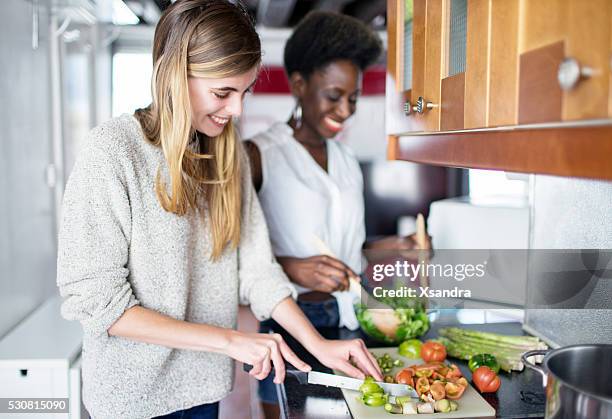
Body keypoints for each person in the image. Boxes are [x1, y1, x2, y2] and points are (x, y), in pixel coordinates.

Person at [56, 2, 381, 418]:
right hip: (132, 398)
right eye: (222, 93)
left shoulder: (229, 157)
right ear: (175, 75)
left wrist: (319, 344)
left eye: (244, 92)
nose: (237, 110)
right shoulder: (113, 152)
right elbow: (100, 303)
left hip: (203, 389)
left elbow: (258, 270)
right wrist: (229, 340)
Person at [245, 11, 429, 418]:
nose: (345, 110)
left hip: (349, 316)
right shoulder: (259, 156)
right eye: (333, 95)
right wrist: (292, 267)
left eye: (354, 98)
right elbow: (231, 258)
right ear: (298, 84)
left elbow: (348, 246)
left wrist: (399, 246)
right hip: (290, 324)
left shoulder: (346, 159)